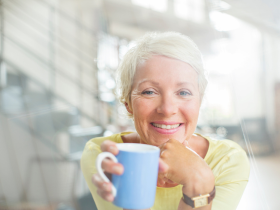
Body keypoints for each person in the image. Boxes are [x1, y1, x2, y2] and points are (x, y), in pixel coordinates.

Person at [80, 32, 250, 210]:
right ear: (128, 103)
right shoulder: (103, 155)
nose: (168, 109)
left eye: (183, 92)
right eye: (149, 92)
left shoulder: (227, 160)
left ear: (199, 101)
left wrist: (199, 184)